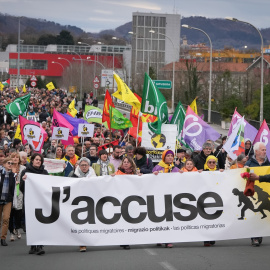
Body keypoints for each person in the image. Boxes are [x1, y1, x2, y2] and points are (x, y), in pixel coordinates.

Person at [20, 153, 49, 255]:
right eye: (36, 159)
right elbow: (21, 188)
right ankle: (33, 246)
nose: (38, 161)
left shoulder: (44, 172)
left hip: (41, 202)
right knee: (31, 224)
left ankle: (40, 246)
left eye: (40, 160)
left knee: (41, 223)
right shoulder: (25, 172)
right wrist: (23, 180)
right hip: (30, 202)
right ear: (32, 160)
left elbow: (48, 186)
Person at [152, 150, 179, 248]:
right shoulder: (158, 167)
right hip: (159, 196)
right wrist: (154, 174)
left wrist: (181, 173)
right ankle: (159, 238)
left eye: (172, 156)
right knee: (159, 218)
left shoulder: (175, 168)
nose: (170, 157)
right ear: (164, 157)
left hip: (170, 197)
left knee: (169, 218)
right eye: (168, 156)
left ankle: (168, 240)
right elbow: (151, 179)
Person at [111, 156, 139, 250]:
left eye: (128, 162)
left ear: (131, 163)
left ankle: (126, 240)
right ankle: (124, 240)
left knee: (129, 221)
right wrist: (111, 178)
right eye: (124, 162)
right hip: (120, 200)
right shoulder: (117, 174)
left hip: (132, 201)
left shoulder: (135, 174)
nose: (126, 163)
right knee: (122, 221)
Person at [245, 142, 269, 247]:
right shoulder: (249, 163)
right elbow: (242, 175)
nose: (265, 151)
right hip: (253, 193)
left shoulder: (268, 163)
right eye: (263, 150)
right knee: (254, 214)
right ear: (256, 151)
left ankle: (260, 234)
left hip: (267, 193)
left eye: (265, 150)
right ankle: (255, 237)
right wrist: (244, 171)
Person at [70, 157, 96, 252]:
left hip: (90, 202)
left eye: (86, 165)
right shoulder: (73, 175)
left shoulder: (94, 176)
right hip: (77, 202)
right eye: (82, 165)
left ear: (89, 166)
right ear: (79, 166)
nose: (84, 167)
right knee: (80, 223)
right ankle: (82, 243)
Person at [203, 155, 223, 247]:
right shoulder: (203, 172)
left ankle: (212, 237)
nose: (211, 164)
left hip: (216, 198)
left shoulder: (219, 172)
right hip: (205, 198)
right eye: (209, 162)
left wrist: (223, 173)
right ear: (206, 163)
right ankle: (206, 239)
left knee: (214, 218)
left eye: (213, 162)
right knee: (206, 218)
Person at [8, 153, 25, 241]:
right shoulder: (9, 167)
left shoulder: (23, 168)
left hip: (19, 192)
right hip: (10, 192)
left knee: (18, 212)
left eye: (17, 157)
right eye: (13, 157)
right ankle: (11, 232)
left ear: (19, 159)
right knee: (10, 213)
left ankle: (17, 229)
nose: (15, 159)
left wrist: (20, 182)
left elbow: (26, 179)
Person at [0, 157, 16, 246]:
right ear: (4, 164)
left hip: (8, 200)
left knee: (6, 219)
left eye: (11, 163)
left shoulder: (12, 176)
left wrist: (12, 200)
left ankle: (3, 238)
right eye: (9, 163)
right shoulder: (0, 174)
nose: (10, 165)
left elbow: (13, 189)